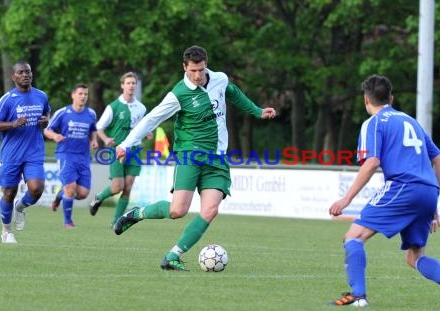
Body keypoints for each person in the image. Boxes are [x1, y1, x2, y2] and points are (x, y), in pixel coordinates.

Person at [112, 45, 276, 271]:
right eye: (193, 71)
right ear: (184, 67)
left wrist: (257, 110)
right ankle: (137, 213)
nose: (198, 76)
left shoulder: (219, 79)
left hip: (217, 158)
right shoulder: (178, 94)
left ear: (206, 64)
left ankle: (172, 255)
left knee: (210, 210)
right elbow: (151, 119)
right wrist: (125, 144)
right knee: (177, 211)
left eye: (201, 70)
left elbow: (234, 93)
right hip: (190, 155)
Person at [328, 74, 440, 308]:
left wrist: (346, 199)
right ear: (390, 97)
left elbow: (372, 162)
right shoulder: (411, 121)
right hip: (429, 191)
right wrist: (434, 202)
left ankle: (358, 296)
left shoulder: (374, 123)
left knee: (353, 237)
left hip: (403, 187)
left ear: (365, 100)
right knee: (414, 257)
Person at [0, 60, 51, 244]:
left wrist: (45, 122)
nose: (26, 75)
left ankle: (21, 207)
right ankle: (6, 231)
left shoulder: (41, 96)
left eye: (28, 72)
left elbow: (47, 115)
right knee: (8, 192)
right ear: (13, 77)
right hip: (11, 154)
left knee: (37, 188)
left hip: (34, 152)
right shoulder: (7, 99)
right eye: (21, 72)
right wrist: (13, 124)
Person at [88, 72, 152, 225]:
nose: (131, 86)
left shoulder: (141, 108)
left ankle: (116, 221)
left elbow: (142, 126)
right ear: (122, 85)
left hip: (135, 151)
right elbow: (99, 127)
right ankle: (99, 198)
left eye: (133, 83)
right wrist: (105, 139)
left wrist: (148, 131)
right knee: (117, 187)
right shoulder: (113, 107)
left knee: (128, 188)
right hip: (117, 150)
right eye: (128, 83)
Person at [44, 83, 98, 227]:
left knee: (82, 193)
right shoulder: (63, 113)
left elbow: (93, 130)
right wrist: (55, 136)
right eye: (80, 94)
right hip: (66, 155)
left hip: (84, 157)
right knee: (70, 188)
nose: (83, 97)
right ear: (73, 95)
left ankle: (59, 196)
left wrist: (94, 140)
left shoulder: (91, 114)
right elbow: (47, 130)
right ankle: (68, 222)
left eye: (85, 94)